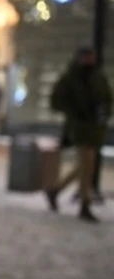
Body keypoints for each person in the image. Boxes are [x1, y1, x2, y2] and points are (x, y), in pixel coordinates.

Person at [45, 47, 112, 222]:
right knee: (87, 165)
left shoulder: (98, 78)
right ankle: (85, 203)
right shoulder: (70, 79)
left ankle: (55, 190)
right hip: (80, 128)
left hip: (95, 128)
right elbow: (56, 101)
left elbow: (107, 99)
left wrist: (104, 114)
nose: (90, 61)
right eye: (87, 58)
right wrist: (75, 112)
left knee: (86, 166)